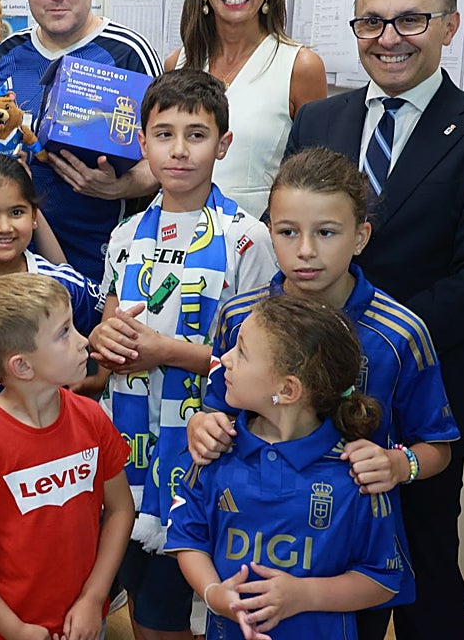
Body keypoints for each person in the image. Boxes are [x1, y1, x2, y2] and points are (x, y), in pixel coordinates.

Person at [284, 0, 464, 640]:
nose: (389, 36)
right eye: (371, 21)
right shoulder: (320, 121)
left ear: (450, 25)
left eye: (411, 18)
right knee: (332, 569)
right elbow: (296, 241)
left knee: (427, 576)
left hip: (423, 396)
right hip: (318, 394)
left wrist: (371, 334)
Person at [188, 147, 458, 640]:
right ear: (270, 231)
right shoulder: (238, 318)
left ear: (361, 236)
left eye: (327, 233)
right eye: (288, 232)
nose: (305, 250)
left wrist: (400, 465)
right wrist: (201, 426)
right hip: (247, 548)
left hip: (349, 564)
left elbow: (437, 447)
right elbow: (216, 407)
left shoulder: (400, 335)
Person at [91, 68, 275, 640]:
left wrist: (168, 352)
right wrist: (104, 340)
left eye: (196, 135)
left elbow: (265, 363)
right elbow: (110, 329)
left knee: (191, 609)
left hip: (207, 450)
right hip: (130, 447)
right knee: (146, 612)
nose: (178, 150)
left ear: (223, 144)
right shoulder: (125, 236)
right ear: (141, 143)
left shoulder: (249, 238)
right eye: (163, 133)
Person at [166, 295, 401, 639]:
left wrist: (305, 596)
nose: (225, 360)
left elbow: (382, 579)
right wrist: (215, 595)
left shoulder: (355, 474)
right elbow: (188, 538)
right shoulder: (214, 452)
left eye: (242, 352)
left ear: (287, 389)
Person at [0, 274, 135, 640]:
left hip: (87, 623)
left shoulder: (92, 418)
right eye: (64, 333)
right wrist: (12, 628)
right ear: (22, 366)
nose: (82, 341)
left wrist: (94, 597)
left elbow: (121, 510)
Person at [0, 0, 164, 281]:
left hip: (100, 264)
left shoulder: (128, 53)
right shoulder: (8, 53)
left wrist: (120, 187)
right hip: (12, 263)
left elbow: (164, 158)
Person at [164, 0, 327, 219]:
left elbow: (315, 181)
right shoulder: (178, 63)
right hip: (178, 239)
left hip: (260, 248)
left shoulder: (300, 66)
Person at [0, 154, 100, 339]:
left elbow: (107, 321)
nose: (4, 228)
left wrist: (100, 366)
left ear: (34, 216)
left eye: (16, 212)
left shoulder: (62, 283)